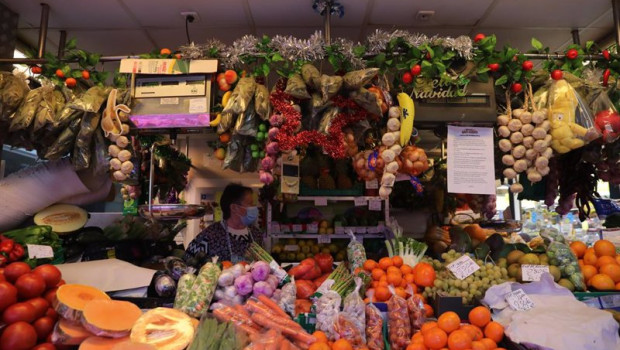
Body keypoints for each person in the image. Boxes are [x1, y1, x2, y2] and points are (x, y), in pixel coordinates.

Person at [184, 183, 264, 266]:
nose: (255, 207)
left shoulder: (256, 234)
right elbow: (187, 264)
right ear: (234, 208)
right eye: (250, 203)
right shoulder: (209, 236)